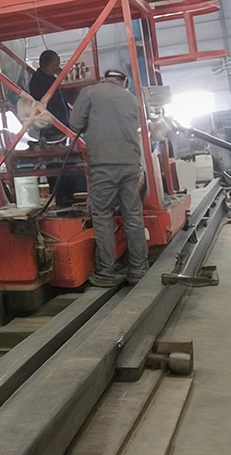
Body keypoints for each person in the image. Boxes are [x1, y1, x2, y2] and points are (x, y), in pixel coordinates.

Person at [69, 69, 148, 287]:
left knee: (103, 215)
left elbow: (75, 125)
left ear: (104, 79)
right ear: (123, 82)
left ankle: (105, 273)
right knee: (133, 216)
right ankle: (138, 270)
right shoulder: (132, 99)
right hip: (131, 165)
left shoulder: (90, 92)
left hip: (104, 165)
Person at [28, 50, 76, 205]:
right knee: (54, 163)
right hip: (50, 127)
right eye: (55, 64)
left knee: (66, 161)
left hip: (62, 126)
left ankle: (68, 193)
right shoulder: (38, 81)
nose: (58, 67)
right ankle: (60, 195)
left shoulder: (53, 79)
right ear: (45, 63)